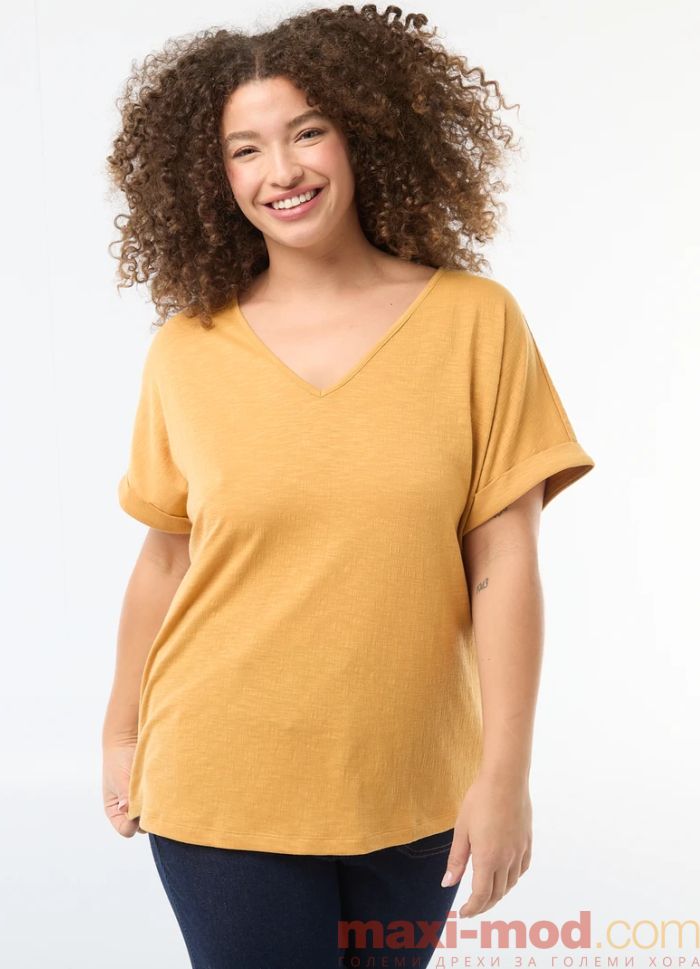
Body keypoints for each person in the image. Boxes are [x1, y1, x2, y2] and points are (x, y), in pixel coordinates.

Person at [101, 5, 595, 967]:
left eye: (307, 132)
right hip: (221, 777)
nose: (280, 171)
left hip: (416, 788)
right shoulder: (187, 351)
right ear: (215, 177)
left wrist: (505, 775)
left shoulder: (475, 324)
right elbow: (165, 557)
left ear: (363, 134)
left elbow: (504, 564)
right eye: (245, 150)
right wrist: (119, 732)